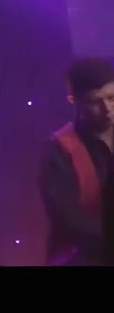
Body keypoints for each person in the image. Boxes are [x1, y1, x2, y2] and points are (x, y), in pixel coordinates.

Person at [38, 57, 113, 266]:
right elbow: (67, 217)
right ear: (74, 101)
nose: (107, 109)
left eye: (112, 98)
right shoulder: (59, 148)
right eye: (94, 102)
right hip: (83, 256)